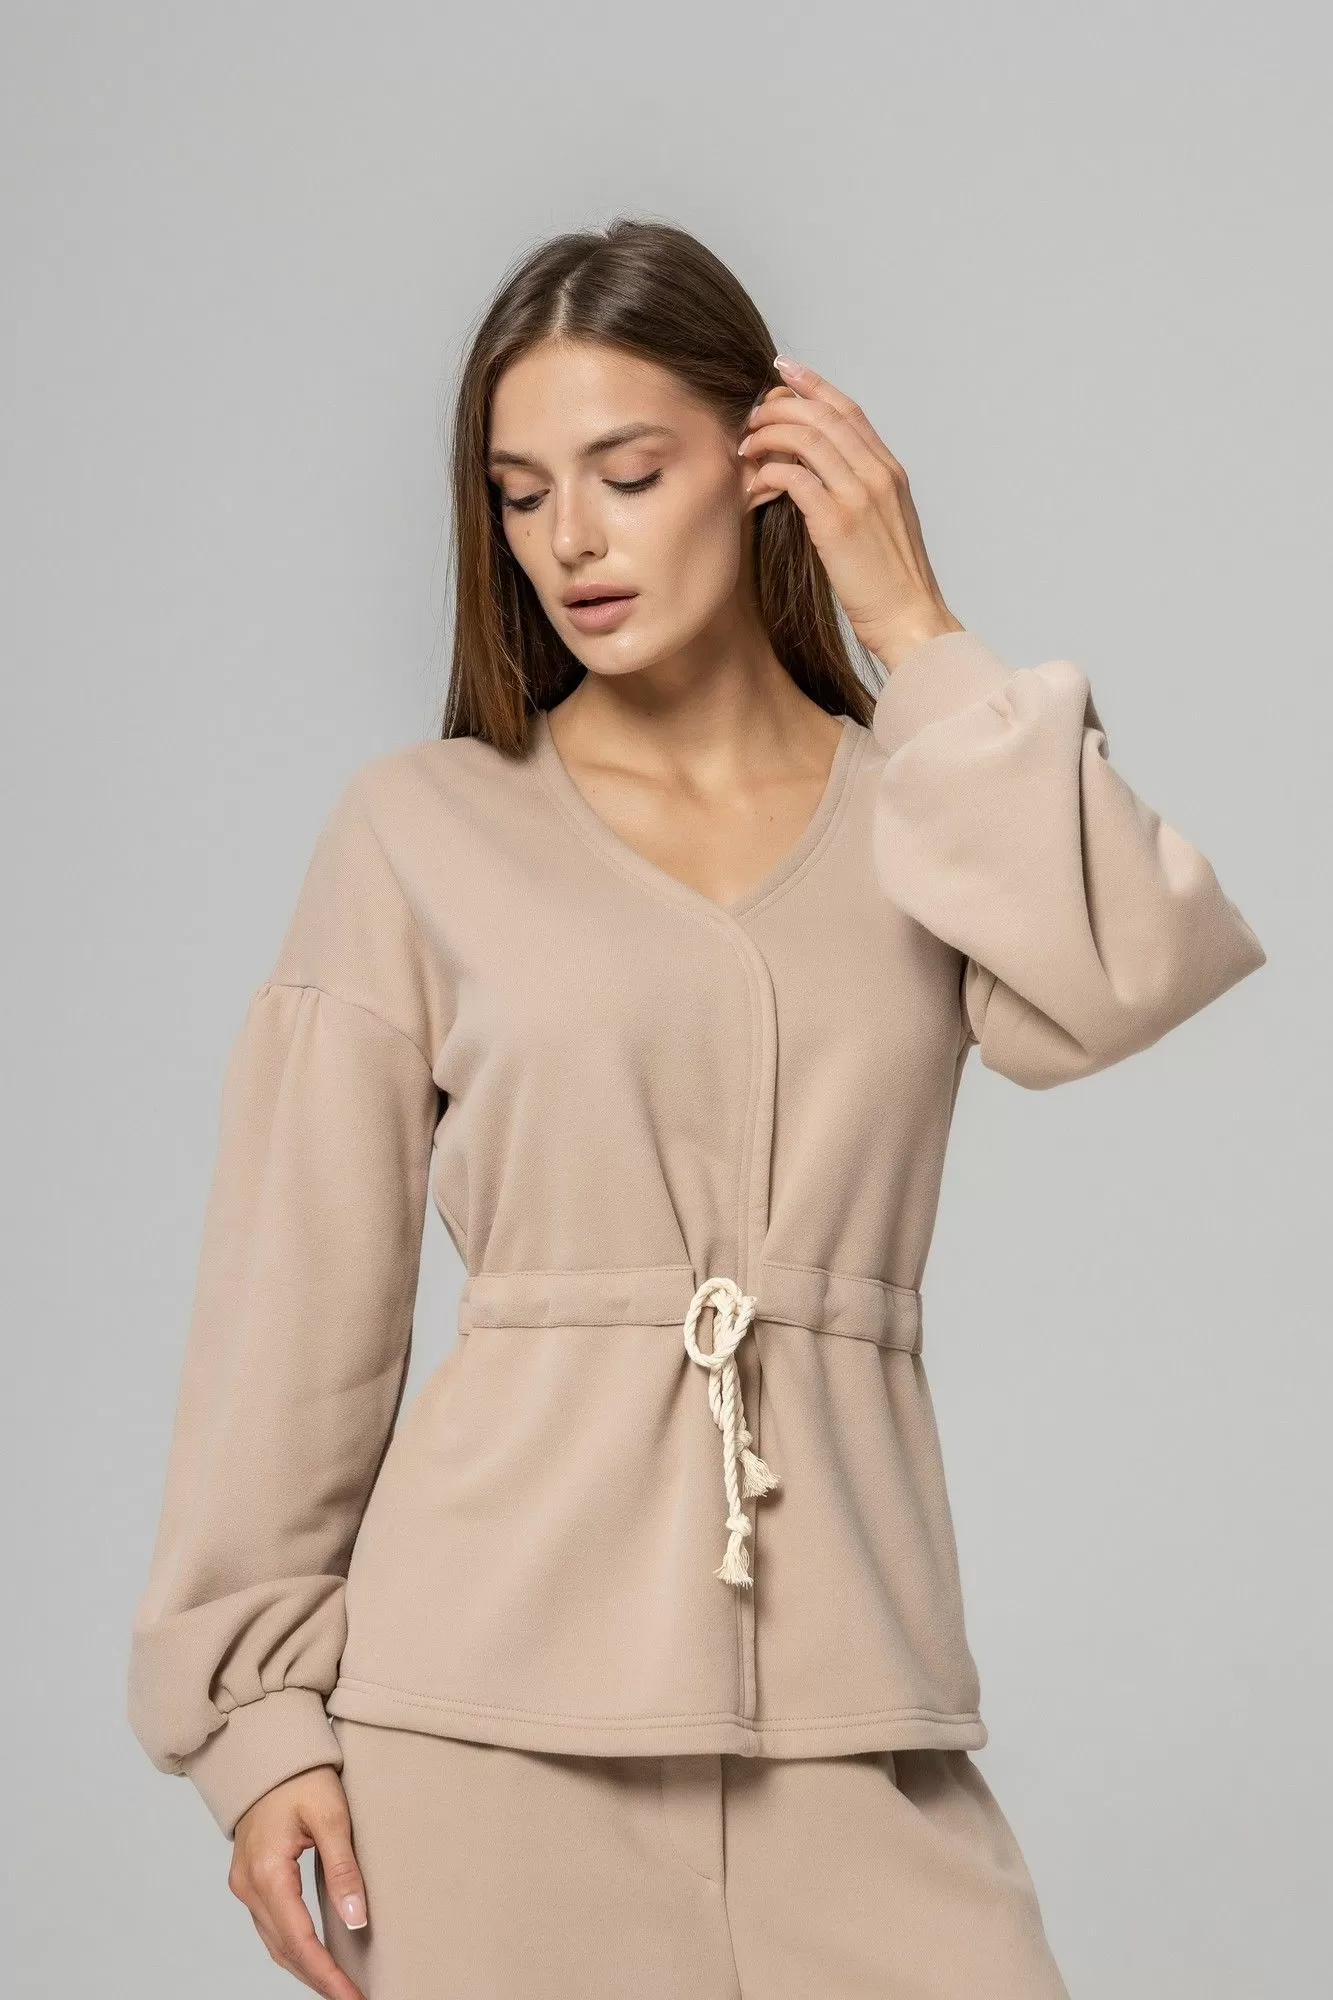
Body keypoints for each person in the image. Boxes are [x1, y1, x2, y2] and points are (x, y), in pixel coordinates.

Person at [126, 217, 1267, 1999]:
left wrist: (917, 628)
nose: (569, 540)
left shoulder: (926, 813)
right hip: (482, 1735)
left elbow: (1125, 977)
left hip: (855, 1712)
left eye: (629, 472)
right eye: (519, 495)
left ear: (762, 462)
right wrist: (260, 1726)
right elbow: (294, 1314)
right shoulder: (419, 831)